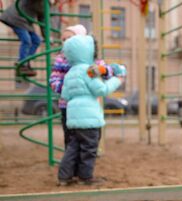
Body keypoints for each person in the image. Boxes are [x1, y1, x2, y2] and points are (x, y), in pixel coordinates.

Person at [57, 34, 126, 186]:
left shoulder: (70, 73)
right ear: (87, 51)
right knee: (89, 149)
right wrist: (117, 80)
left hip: (73, 117)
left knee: (73, 147)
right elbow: (101, 90)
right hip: (89, 117)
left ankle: (64, 176)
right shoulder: (89, 71)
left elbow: (65, 94)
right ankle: (85, 177)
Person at [49, 24, 114, 149]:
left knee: (93, 138)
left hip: (90, 107)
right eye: (63, 40)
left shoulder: (92, 60)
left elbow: (108, 73)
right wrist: (68, 88)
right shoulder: (61, 60)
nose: (65, 42)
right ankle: (72, 165)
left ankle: (85, 160)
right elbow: (54, 80)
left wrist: (103, 71)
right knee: (70, 140)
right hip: (68, 106)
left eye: (69, 38)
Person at [0, 0, 46, 76]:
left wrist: (47, 36)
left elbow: (43, 20)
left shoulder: (45, 4)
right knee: (26, 40)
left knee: (36, 40)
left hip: (25, 22)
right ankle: (22, 64)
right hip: (15, 18)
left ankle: (25, 62)